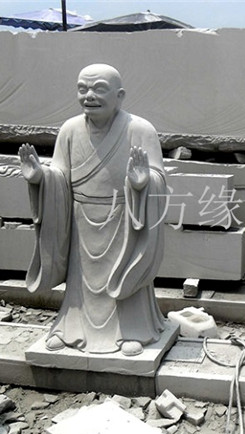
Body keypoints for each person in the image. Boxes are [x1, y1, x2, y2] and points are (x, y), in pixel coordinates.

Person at [18, 64, 167, 356]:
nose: (89, 96)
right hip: (81, 220)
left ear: (119, 96)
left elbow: (158, 176)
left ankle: (132, 329)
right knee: (81, 281)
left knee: (124, 273)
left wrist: (143, 182)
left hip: (126, 219)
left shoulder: (140, 130)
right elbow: (59, 175)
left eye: (99, 89)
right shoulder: (70, 130)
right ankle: (72, 328)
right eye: (82, 88)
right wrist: (40, 178)